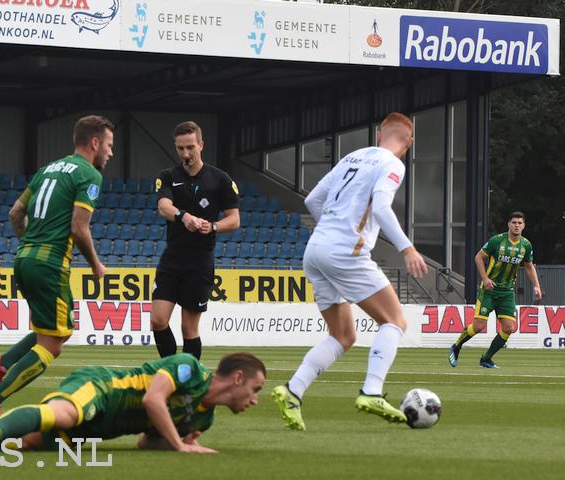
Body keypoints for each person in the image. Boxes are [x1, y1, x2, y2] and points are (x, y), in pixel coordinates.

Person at [272, 112, 427, 431]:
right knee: (394, 321)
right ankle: (371, 391)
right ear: (408, 142)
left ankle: (291, 391)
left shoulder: (352, 157)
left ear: (380, 133)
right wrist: (407, 248)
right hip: (346, 252)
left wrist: (331, 227)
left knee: (343, 335)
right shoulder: (393, 164)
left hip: (315, 250)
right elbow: (382, 207)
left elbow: (314, 199)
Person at [0, 115, 113, 422]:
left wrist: (29, 245)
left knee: (55, 330)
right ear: (94, 143)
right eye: (109, 145)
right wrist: (96, 265)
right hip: (50, 264)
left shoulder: (46, 170)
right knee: (52, 346)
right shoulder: (89, 175)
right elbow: (79, 227)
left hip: (24, 259)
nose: (110, 152)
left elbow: (15, 212)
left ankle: (2, 363)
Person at [0, 352, 265, 454]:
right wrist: (180, 447)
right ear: (237, 378)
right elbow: (155, 400)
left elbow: (145, 439)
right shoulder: (189, 369)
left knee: (26, 441)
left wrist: (176, 442)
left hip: (99, 430)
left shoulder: (203, 423)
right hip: (102, 387)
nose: (255, 399)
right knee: (61, 414)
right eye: (256, 388)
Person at [151, 121, 240, 360]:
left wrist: (212, 226)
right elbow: (163, 207)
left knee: (188, 328)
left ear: (201, 144)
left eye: (190, 147)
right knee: (157, 320)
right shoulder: (168, 176)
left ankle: (187, 382)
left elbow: (234, 219)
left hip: (200, 260)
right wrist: (183, 216)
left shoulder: (219, 179)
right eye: (180, 148)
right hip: (172, 257)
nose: (186, 154)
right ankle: (169, 371)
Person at [448, 211, 542, 369]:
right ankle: (456, 346)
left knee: (509, 328)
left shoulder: (526, 245)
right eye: (514, 222)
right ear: (509, 224)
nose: (517, 225)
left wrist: (536, 285)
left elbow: (529, 266)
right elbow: (478, 257)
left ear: (524, 226)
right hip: (489, 290)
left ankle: (486, 359)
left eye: (520, 223)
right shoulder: (497, 241)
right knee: (478, 326)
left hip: (506, 292)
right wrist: (485, 279)